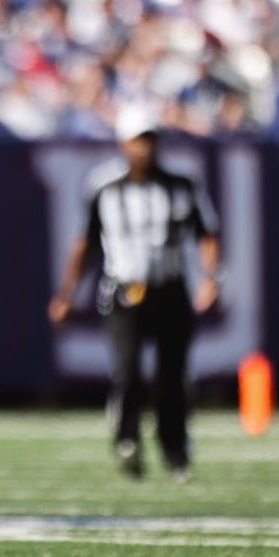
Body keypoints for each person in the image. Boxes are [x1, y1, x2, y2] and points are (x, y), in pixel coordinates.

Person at [49, 107, 222, 481]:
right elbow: (84, 244)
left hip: (171, 288)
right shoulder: (104, 186)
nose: (145, 147)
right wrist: (66, 294)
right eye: (138, 139)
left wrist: (211, 278)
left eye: (151, 139)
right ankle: (127, 438)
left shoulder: (182, 184)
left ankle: (174, 447)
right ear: (124, 143)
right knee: (127, 370)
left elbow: (206, 233)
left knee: (172, 375)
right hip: (124, 291)